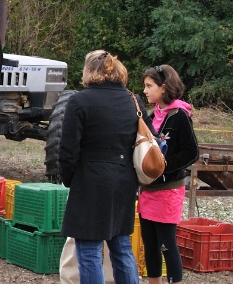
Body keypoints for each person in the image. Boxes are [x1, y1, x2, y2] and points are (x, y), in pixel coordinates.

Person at [59, 50, 141, 284]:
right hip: (124, 180)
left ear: (89, 71)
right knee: (121, 246)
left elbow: (68, 150)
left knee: (89, 250)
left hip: (90, 180)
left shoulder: (80, 100)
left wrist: (69, 178)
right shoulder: (133, 100)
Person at [138, 64, 199, 284]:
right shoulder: (153, 116)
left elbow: (192, 152)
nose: (145, 90)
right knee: (150, 243)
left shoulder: (180, 116)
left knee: (166, 244)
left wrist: (165, 166)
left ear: (163, 88)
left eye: (149, 86)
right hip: (148, 191)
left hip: (168, 191)